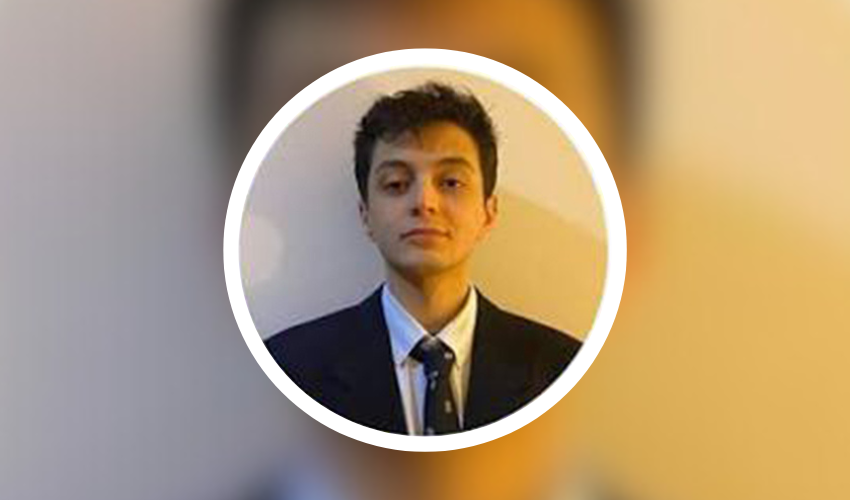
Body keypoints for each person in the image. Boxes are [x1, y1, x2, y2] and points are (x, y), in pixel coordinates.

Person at [264, 82, 582, 436]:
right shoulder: (284, 369)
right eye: (396, 184)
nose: (424, 202)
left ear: (488, 213)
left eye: (451, 182)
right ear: (366, 215)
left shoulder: (566, 370)